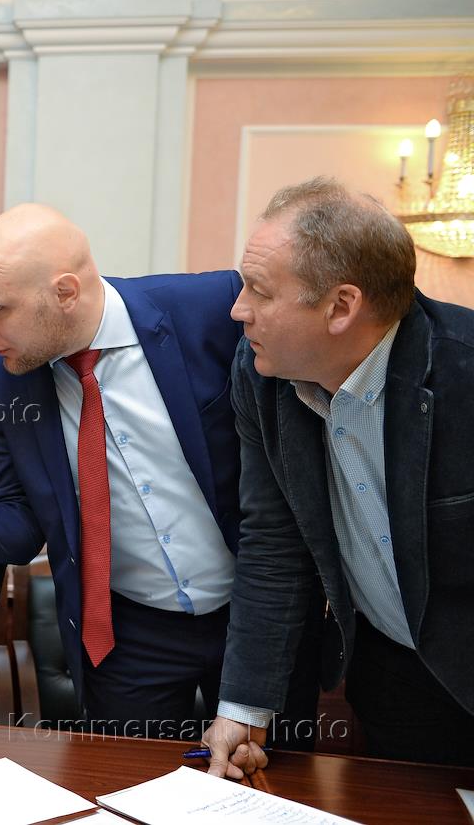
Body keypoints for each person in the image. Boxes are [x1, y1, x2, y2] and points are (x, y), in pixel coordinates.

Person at [0, 203, 319, 743]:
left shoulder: (213, 310)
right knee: (124, 783)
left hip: (258, 612)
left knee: (273, 775)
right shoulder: (2, 384)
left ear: (65, 292)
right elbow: (22, 524)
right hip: (126, 636)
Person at [202, 177, 474, 776]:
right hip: (395, 680)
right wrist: (244, 706)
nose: (238, 309)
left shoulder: (463, 368)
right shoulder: (261, 373)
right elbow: (274, 542)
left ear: (342, 307)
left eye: (259, 290)